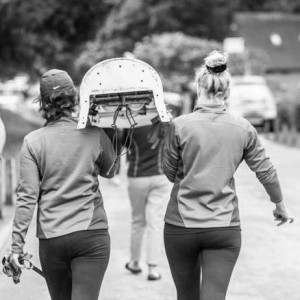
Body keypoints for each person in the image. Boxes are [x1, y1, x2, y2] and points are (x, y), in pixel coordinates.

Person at [162, 51, 294, 300]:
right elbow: (265, 170)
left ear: (198, 89)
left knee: (185, 296)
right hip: (224, 226)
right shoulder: (243, 128)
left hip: (181, 225)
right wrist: (279, 204)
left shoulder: (178, 126)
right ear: (227, 92)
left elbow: (169, 173)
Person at [9, 69, 118, 300]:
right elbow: (112, 170)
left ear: (43, 103)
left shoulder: (32, 142)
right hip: (91, 236)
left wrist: (16, 247)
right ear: (75, 98)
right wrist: (110, 131)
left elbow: (27, 198)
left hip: (53, 239)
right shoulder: (95, 133)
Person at [124, 125, 171, 280]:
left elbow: (124, 145)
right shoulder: (165, 124)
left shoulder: (130, 125)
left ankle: (135, 262)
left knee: (137, 220)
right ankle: (152, 268)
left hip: (137, 176)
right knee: (155, 222)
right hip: (160, 175)